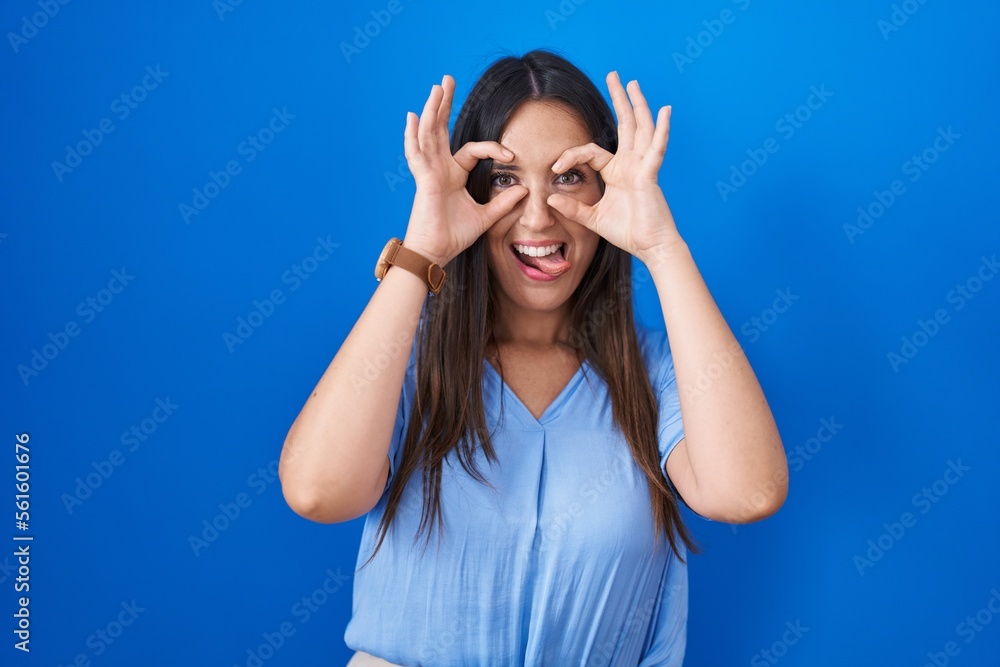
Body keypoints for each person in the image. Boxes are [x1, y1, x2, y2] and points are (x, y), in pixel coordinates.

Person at [279, 49, 788, 666]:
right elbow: (317, 492)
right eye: (504, 178)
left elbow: (748, 494)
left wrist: (661, 246)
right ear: (470, 190)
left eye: (569, 177)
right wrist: (422, 252)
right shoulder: (403, 363)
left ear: (607, 188)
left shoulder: (655, 374)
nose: (539, 215)